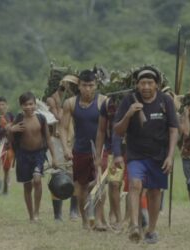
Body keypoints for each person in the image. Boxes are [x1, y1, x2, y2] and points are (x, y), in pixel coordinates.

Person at [114, 66, 178, 244]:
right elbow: (118, 130)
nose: (146, 87)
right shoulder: (128, 100)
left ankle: (151, 230)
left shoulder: (166, 101)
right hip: (136, 154)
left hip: (159, 155)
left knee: (155, 192)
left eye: (150, 83)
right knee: (135, 185)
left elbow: (174, 130)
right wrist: (128, 114)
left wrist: (170, 156)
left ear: (156, 85)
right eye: (143, 83)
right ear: (137, 85)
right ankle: (134, 226)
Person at [60, 69, 106, 229]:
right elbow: (63, 128)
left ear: (96, 85)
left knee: (100, 183)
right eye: (84, 85)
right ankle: (86, 220)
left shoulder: (103, 102)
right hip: (79, 150)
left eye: (91, 85)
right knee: (81, 187)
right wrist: (66, 148)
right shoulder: (70, 103)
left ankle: (99, 220)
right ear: (78, 86)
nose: (88, 89)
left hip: (100, 150)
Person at [7, 91, 56, 221]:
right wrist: (12, 130)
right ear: (21, 106)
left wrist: (54, 157)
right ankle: (30, 215)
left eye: (31, 104)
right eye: (25, 105)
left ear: (35, 104)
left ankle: (37, 212)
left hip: (38, 154)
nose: (28, 107)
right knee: (27, 185)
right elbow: (11, 139)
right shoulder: (19, 119)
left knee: (37, 179)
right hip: (23, 155)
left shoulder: (41, 118)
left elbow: (48, 138)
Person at [46, 75, 80, 221]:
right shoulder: (52, 99)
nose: (69, 88)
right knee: (57, 174)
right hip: (57, 141)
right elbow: (58, 117)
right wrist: (64, 102)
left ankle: (74, 211)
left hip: (74, 139)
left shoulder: (77, 101)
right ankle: (57, 214)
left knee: (75, 176)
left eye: (72, 85)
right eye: (67, 85)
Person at [95, 96, 125, 231]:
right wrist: (98, 154)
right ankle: (114, 217)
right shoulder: (108, 104)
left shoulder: (139, 101)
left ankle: (130, 219)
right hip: (111, 149)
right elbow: (101, 130)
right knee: (113, 183)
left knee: (131, 186)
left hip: (133, 150)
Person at [0, 96, 15, 195]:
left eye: (2, 105)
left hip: (8, 146)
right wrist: (4, 128)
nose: (0, 107)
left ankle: (5, 189)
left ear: (7, 106)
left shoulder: (11, 116)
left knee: (7, 169)